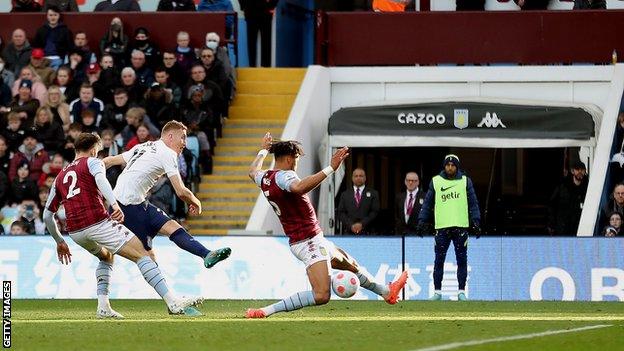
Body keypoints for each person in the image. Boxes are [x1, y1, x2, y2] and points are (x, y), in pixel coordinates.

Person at [245, 133, 408, 318]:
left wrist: (263, 151)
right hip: (308, 241)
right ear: (290, 159)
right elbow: (299, 187)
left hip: (311, 238)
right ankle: (265, 311)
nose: (296, 165)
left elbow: (252, 172)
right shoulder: (286, 177)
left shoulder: (266, 177)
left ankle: (387, 292)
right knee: (321, 295)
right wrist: (331, 168)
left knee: (349, 264)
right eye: (296, 160)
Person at [44, 132, 202, 317]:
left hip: (76, 232)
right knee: (143, 255)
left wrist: (59, 241)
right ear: (94, 149)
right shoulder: (92, 162)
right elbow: (101, 181)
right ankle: (173, 302)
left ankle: (103, 307)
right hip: (97, 223)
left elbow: (47, 215)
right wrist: (114, 204)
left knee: (106, 257)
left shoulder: (60, 176)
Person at [103, 120, 231, 268]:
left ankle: (206, 254)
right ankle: (104, 288)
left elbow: (110, 161)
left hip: (135, 203)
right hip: (126, 207)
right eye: (182, 137)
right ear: (170, 136)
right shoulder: (167, 153)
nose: (185, 143)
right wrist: (196, 201)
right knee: (144, 256)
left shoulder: (144, 146)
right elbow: (181, 191)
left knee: (170, 230)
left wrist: (85, 166)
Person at [416, 154, 481, 301]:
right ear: (444, 166)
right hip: (442, 227)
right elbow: (427, 204)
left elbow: (473, 203)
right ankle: (438, 292)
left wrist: (476, 221)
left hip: (461, 227)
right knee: (439, 260)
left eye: (453, 165)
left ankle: (461, 291)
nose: (450, 168)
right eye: (447, 165)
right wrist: (422, 221)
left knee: (461, 260)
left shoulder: (465, 181)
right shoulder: (436, 181)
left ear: (457, 167)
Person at [547, 161, 588, 236]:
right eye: (577, 169)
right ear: (572, 171)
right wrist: (551, 223)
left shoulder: (588, 186)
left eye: (582, 170)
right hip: (563, 226)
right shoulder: (563, 186)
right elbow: (552, 204)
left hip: (580, 225)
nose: (580, 172)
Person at [336, 168, 380, 235]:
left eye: (361, 176)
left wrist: (362, 224)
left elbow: (375, 211)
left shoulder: (373, 193)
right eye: (356, 176)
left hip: (368, 232)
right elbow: (341, 212)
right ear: (352, 178)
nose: (358, 178)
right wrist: (351, 225)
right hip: (349, 232)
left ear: (365, 178)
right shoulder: (345, 194)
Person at [239, 0, 277, 67]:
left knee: (265, 41)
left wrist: (272, 4)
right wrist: (244, 6)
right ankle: (254, 66)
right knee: (253, 42)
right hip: (252, 11)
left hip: (263, 11)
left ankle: (264, 66)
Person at [394, 171, 425, 235]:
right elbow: (396, 215)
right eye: (408, 180)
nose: (410, 183)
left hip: (419, 235)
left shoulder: (425, 197)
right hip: (401, 235)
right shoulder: (399, 197)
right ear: (405, 182)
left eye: (413, 181)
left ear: (418, 182)